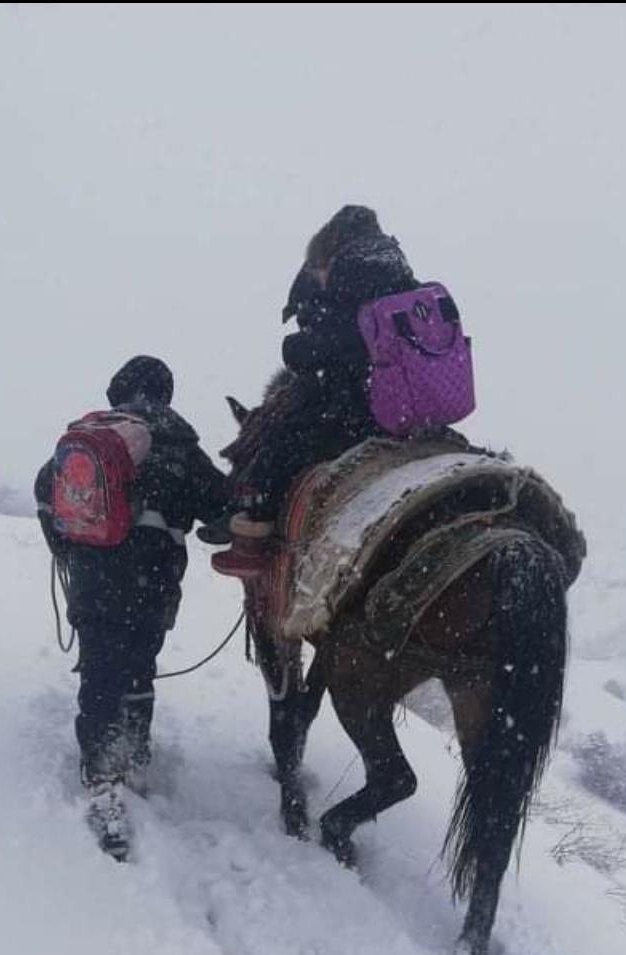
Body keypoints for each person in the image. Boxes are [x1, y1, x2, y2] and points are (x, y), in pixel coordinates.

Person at [35, 355, 229, 852]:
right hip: (154, 578)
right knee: (140, 663)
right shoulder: (180, 444)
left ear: (117, 390)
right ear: (165, 393)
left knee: (101, 669)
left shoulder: (90, 435)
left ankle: (103, 778)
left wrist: (69, 547)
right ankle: (136, 753)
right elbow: (221, 506)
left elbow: (45, 490)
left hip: (93, 575)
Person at [207, 205, 427, 578]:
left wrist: (294, 348)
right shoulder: (403, 275)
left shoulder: (347, 270)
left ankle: (252, 532)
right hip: (413, 409)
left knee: (280, 443)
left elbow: (338, 344)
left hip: (355, 410)